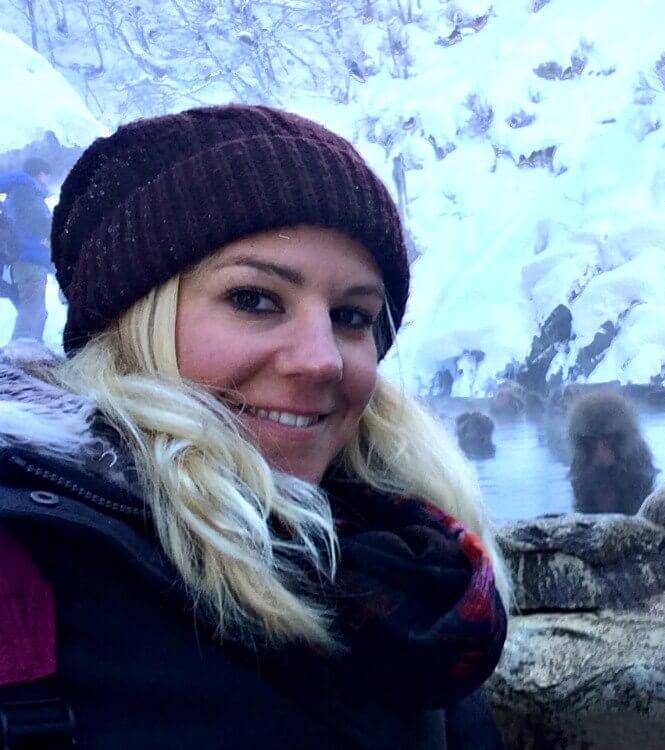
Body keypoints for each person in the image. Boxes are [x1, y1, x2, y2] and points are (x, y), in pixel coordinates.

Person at [0, 105, 510, 749]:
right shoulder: (28, 562)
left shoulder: (416, 579)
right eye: (254, 299)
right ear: (132, 324)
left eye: (352, 316)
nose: (322, 358)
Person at [0, 157, 53, 341]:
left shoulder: (19, 192)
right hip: (29, 260)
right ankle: (21, 354)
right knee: (32, 310)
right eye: (47, 174)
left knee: (36, 312)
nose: (47, 179)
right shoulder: (27, 191)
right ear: (40, 173)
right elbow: (39, 223)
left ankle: (32, 350)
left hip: (21, 260)